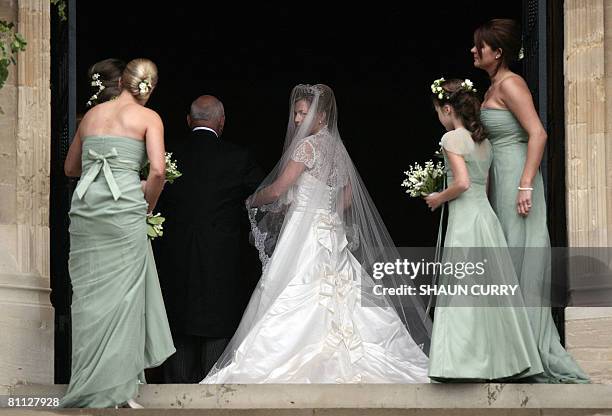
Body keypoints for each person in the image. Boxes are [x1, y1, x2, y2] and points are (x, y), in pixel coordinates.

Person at [200, 84, 431, 384]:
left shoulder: (305, 147)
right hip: (330, 230)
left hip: (305, 232)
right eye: (296, 113)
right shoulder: (338, 149)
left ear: (321, 116)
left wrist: (251, 200)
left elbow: (279, 189)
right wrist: (325, 210)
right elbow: (347, 196)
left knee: (295, 286)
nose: (297, 120)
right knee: (340, 291)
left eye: (303, 113)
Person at [473, 19, 589, 383]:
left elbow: (538, 132)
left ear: (498, 52)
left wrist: (525, 185)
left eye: (480, 46)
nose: (474, 51)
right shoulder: (493, 84)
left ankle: (529, 353)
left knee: (522, 257)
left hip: (518, 182)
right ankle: (509, 351)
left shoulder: (511, 83)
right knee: (506, 258)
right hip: (501, 178)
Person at [60, 58, 175, 408]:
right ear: (149, 89)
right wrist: (147, 205)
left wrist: (101, 162)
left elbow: (70, 168)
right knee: (124, 299)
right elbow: (157, 171)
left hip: (88, 209)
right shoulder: (149, 117)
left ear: (122, 81)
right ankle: (119, 388)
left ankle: (92, 383)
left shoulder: (92, 116)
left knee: (89, 298)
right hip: (123, 207)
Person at [424, 78, 543, 381]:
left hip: (465, 221)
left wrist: (438, 197)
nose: (439, 117)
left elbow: (462, 183)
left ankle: (460, 364)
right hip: (485, 218)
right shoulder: (485, 143)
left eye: (438, 111)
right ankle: (503, 362)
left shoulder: (451, 140)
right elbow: (483, 186)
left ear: (448, 109)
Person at [155, 95, 264, 383]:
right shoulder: (239, 157)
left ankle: (173, 401)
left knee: (177, 325)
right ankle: (212, 400)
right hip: (222, 259)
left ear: (189, 120)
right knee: (218, 327)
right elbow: (259, 199)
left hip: (174, 256)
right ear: (221, 122)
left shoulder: (168, 154)